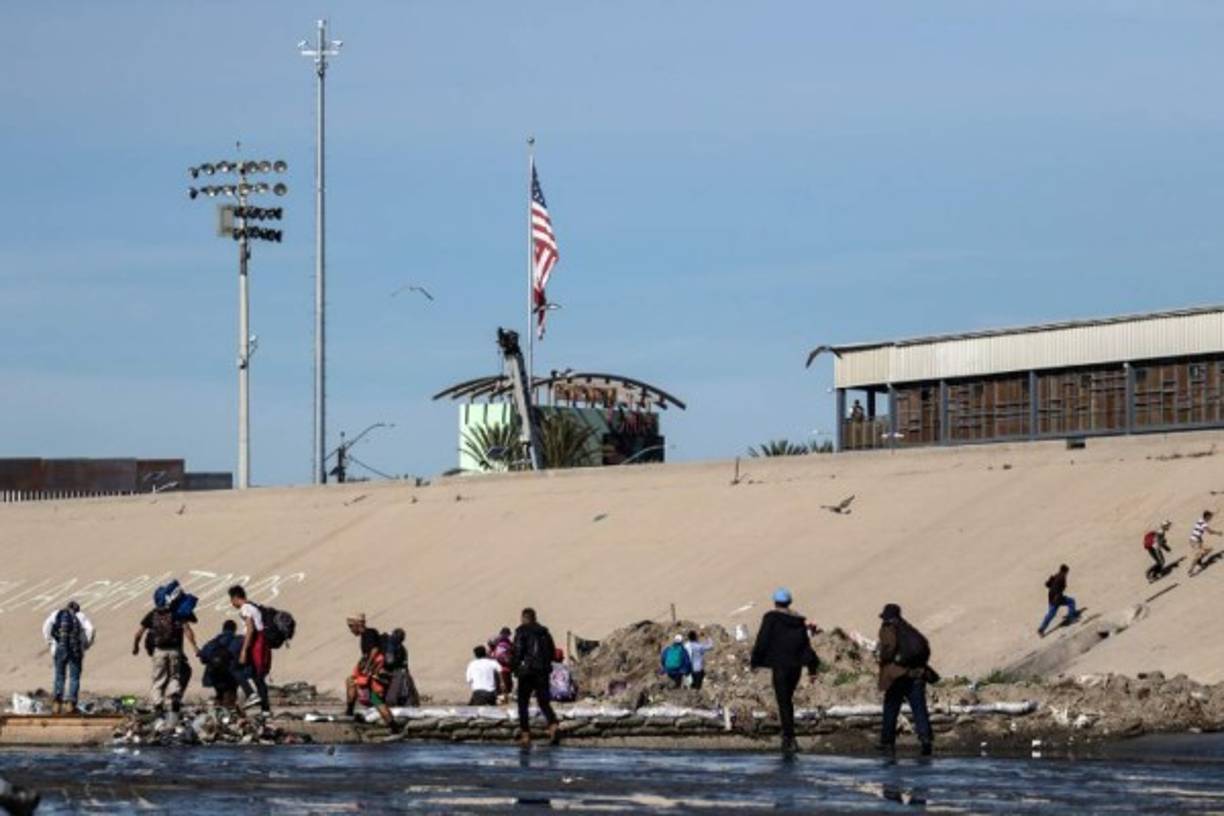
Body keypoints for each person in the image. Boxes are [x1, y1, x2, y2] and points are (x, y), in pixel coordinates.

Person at [750, 588, 820, 754]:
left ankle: (789, 738)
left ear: (775, 602)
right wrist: (812, 667)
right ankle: (789, 736)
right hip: (795, 667)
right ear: (789, 602)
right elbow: (805, 646)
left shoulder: (771, 618)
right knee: (787, 699)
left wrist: (755, 660)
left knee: (783, 701)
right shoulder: (798, 621)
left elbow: (763, 639)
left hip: (780, 666)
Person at [877, 603, 936, 757]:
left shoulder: (888, 628)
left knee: (891, 709)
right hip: (916, 676)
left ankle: (887, 743)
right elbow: (925, 648)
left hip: (897, 676)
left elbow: (888, 650)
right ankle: (926, 741)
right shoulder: (909, 629)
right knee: (919, 710)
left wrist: (883, 658)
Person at [132, 595, 198, 727]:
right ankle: (173, 697)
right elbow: (187, 630)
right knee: (175, 676)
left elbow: (138, 633)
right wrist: (195, 647)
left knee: (158, 679)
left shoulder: (152, 614)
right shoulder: (177, 613)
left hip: (159, 651)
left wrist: (136, 646)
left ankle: (158, 706)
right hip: (175, 651)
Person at [511, 608, 560, 747]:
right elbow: (552, 652)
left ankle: (526, 735)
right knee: (544, 702)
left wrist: (514, 667)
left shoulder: (521, 631)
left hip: (527, 672)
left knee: (523, 704)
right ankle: (553, 726)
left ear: (524, 618)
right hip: (542, 672)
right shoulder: (544, 632)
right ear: (535, 617)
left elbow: (518, 651)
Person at [42, 600, 94, 715]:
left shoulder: (56, 614)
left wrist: (51, 642)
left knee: (59, 676)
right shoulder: (80, 616)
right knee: (74, 678)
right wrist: (85, 645)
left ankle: (57, 703)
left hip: (59, 649)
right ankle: (70, 704)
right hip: (75, 651)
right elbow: (90, 629)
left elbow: (46, 628)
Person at [228, 585, 271, 715]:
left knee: (234, 668)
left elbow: (250, 629)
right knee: (258, 677)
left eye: (231, 599)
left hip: (254, 644)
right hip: (262, 644)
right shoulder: (254, 606)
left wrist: (244, 650)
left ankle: (251, 694)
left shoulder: (245, 608)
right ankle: (265, 710)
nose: (231, 603)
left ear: (236, 598)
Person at [350, 635, 401, 732]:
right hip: (375, 688)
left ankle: (394, 728)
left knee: (379, 705)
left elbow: (359, 675)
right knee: (380, 705)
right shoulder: (383, 658)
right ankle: (394, 727)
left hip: (368, 689)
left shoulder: (370, 659)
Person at [199, 620, 246, 717]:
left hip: (214, 676)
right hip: (231, 677)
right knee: (230, 699)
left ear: (223, 628)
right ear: (234, 629)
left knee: (220, 696)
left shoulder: (214, 642)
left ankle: (217, 717)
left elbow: (203, 657)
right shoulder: (238, 640)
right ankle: (227, 719)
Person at [1037, 564, 1079, 637]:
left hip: (1051, 597)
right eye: (1067, 572)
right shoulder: (1062, 577)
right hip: (1057, 598)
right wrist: (1058, 597)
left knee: (1051, 614)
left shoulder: (1056, 575)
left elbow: (1048, 585)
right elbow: (1058, 588)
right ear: (1065, 571)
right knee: (1071, 602)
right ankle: (1071, 618)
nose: (1067, 574)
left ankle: (1041, 628)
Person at [382, 628, 420, 707]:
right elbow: (390, 660)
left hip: (393, 671)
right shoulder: (393, 646)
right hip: (391, 672)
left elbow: (391, 661)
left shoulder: (399, 648)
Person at [1188, 511, 1222, 576]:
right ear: (1207, 517)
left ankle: (1199, 561)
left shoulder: (1200, 520)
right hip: (1194, 541)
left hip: (1198, 540)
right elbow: (1210, 532)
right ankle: (1191, 570)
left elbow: (1205, 518)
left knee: (1209, 549)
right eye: (1210, 517)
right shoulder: (1203, 523)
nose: (1210, 519)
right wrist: (1218, 533)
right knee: (1198, 555)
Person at [489, 627, 515, 704]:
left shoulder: (495, 641)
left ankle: (502, 701)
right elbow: (503, 657)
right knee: (506, 687)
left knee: (499, 688)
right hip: (504, 668)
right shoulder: (505, 644)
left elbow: (491, 653)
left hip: (495, 668)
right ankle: (504, 702)